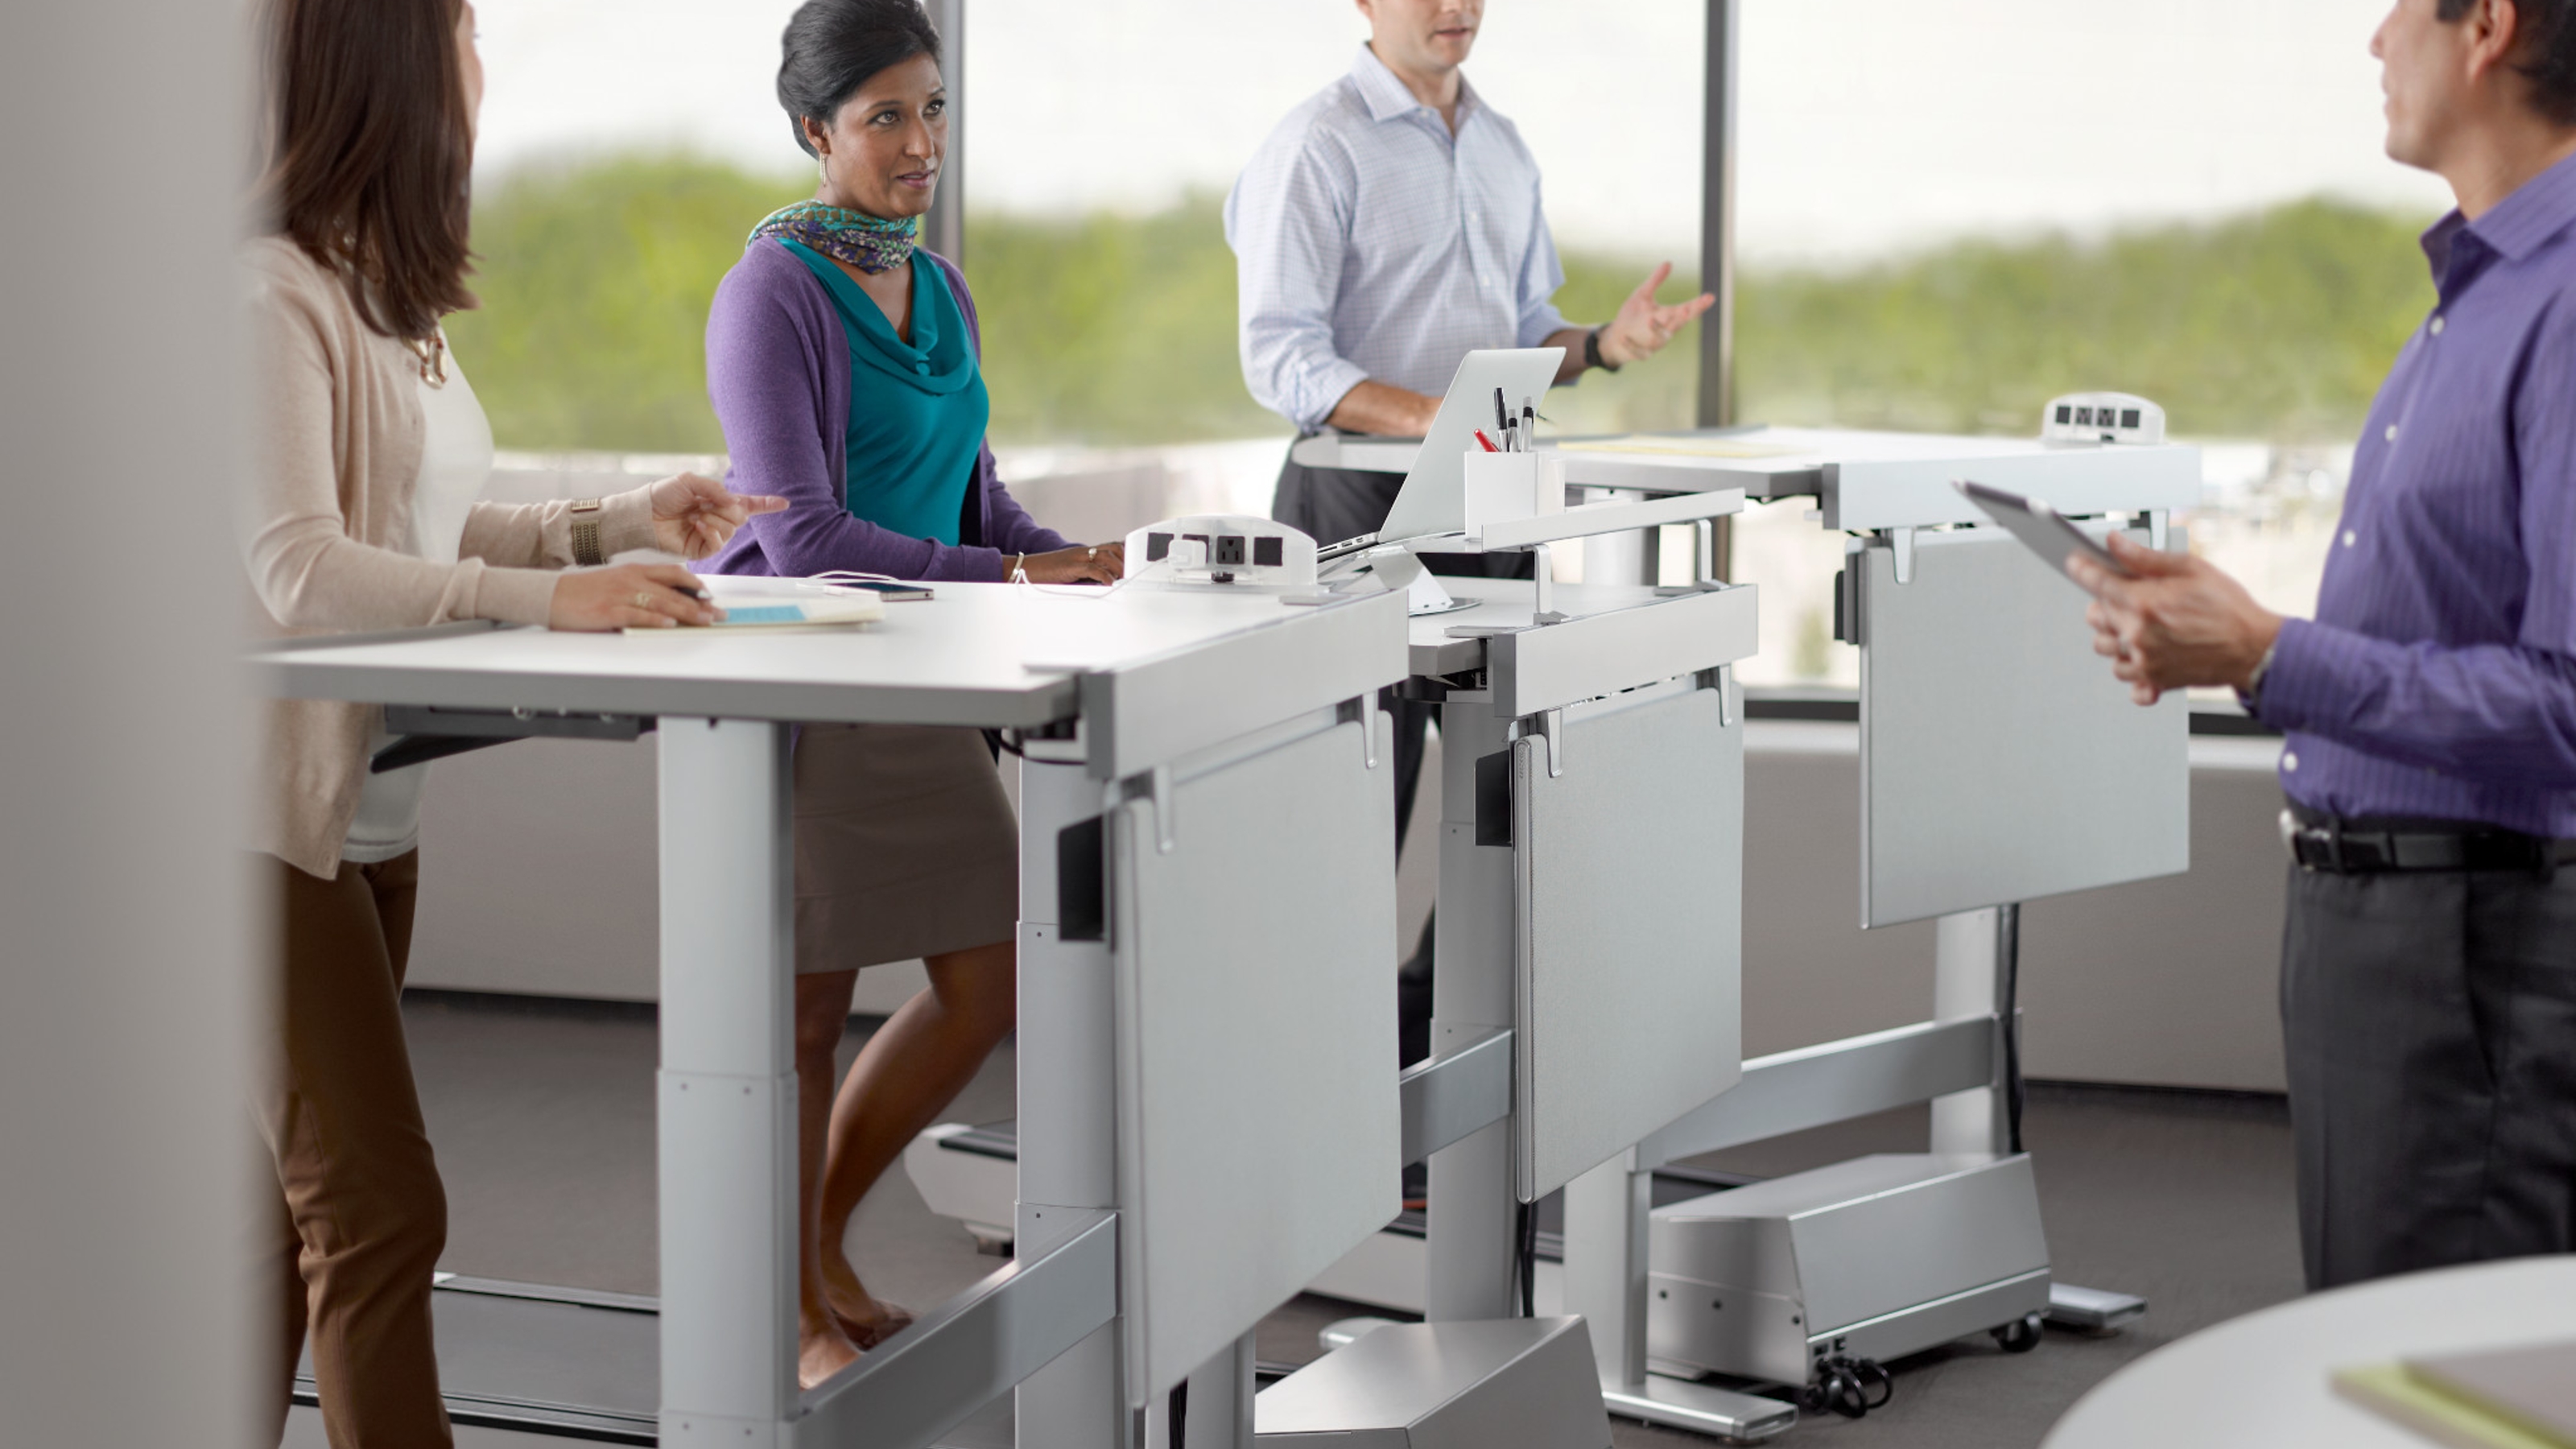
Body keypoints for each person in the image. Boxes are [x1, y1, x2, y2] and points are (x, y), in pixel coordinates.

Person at [244, 2, 782, 1443]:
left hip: (368, 810)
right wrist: (553, 604)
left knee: (274, 1225)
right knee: (374, 1207)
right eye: (468, 27)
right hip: (246, 821)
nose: (482, 57)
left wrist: (613, 525)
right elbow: (295, 567)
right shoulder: (268, 292)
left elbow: (411, 519)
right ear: (395, 59)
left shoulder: (375, 287)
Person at [2070, 0, 2576, 1290]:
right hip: (2380, 928)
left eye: (2401, 7)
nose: (2374, 43)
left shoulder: (2567, 303)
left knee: (2442, 1385)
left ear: (2488, 30)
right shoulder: (2482, 290)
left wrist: (2262, 654)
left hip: (2476, 947)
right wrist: (2222, 634)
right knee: (2372, 1353)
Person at [699, 0, 1124, 1387]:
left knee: (988, 976)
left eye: (933, 109)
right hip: (806, 679)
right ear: (816, 132)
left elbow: (975, 492)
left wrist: (1074, 557)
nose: (920, 142)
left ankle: (813, 1233)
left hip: (925, 677)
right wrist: (1009, 577)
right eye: (886, 116)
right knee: (806, 1016)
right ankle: (785, 1311)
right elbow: (806, 532)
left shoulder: (940, 288)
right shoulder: (769, 292)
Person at [1224, 0, 1713, 1059]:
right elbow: (1283, 358)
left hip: (1489, 500)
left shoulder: (1502, 145)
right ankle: (1305, 1096)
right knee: (1351, 825)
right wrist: (1435, 419)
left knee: (1526, 796)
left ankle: (1417, 1074)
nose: (1455, 8)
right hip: (1359, 506)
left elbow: (1527, 331)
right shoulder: (1317, 146)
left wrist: (1604, 346)